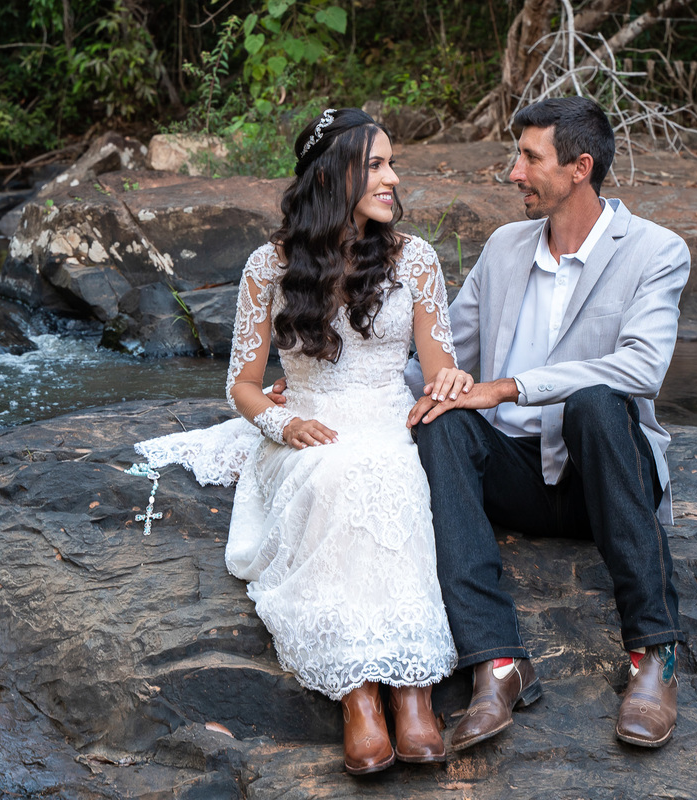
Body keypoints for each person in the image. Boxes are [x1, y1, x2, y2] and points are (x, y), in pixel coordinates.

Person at [135, 108, 469, 775]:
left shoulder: (416, 260)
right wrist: (281, 424)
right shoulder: (270, 266)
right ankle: (359, 695)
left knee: (392, 473)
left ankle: (412, 687)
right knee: (337, 475)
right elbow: (244, 385)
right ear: (332, 174)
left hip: (386, 420)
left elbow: (438, 368)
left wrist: (451, 379)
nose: (392, 179)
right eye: (376, 165)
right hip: (308, 424)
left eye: (390, 164)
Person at [404, 96, 690, 750]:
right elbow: (442, 357)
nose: (513, 172)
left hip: (604, 480)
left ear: (579, 167)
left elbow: (642, 369)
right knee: (443, 419)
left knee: (594, 398)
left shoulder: (655, 251)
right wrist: (338, 389)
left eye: (529, 158)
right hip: (516, 479)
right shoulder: (506, 248)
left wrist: (508, 387)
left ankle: (655, 656)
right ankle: (497, 662)